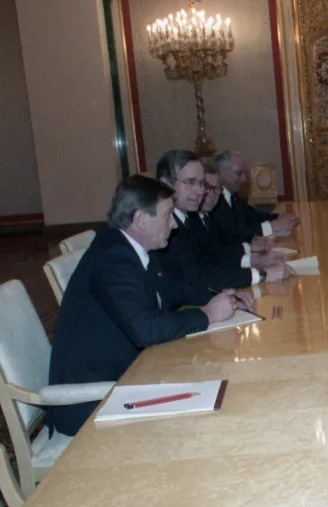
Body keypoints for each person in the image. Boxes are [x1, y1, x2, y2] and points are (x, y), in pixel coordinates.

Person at [47, 175, 247, 435]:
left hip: (128, 374)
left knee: (217, 388)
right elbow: (146, 329)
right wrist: (208, 314)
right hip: (92, 399)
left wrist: (219, 296)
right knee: (204, 422)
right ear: (141, 219)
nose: (173, 225)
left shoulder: (131, 248)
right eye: (167, 215)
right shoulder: (113, 258)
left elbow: (174, 291)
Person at [155, 150, 291, 290]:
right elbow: (198, 277)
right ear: (165, 184)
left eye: (201, 183)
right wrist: (260, 274)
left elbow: (213, 255)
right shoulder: (164, 226)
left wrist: (255, 260)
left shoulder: (189, 217)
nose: (200, 191)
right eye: (190, 182)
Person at [210, 150, 299, 241]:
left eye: (244, 173)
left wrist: (280, 217)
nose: (244, 179)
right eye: (239, 173)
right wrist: (270, 227)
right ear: (221, 174)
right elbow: (232, 234)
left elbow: (253, 216)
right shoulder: (212, 200)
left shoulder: (233, 196)